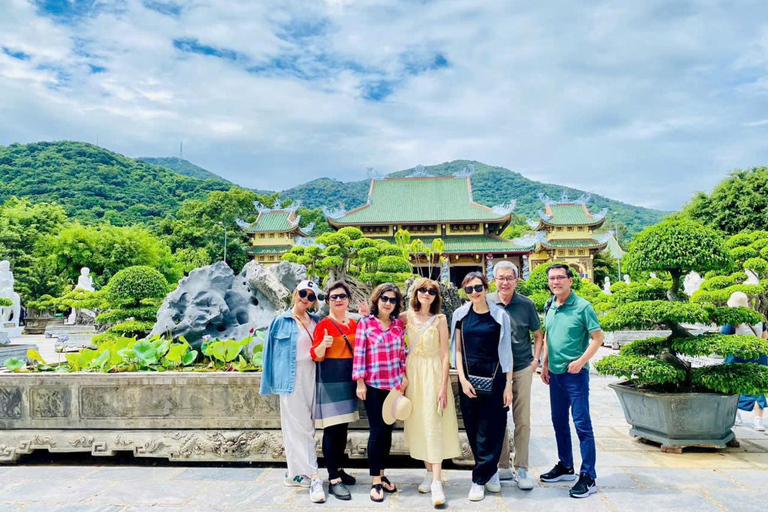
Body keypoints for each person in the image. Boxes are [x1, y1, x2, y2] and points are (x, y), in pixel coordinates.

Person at [260, 280, 326, 504]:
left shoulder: (316, 322)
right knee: (301, 427)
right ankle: (315, 476)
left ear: (314, 301)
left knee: (304, 426)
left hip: (313, 376)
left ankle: (295, 473)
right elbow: (268, 355)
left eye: (310, 297)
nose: (305, 299)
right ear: (295, 293)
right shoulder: (280, 322)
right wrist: (267, 384)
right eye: (303, 293)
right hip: (290, 379)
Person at [540, 264, 603, 499]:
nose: (555, 282)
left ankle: (588, 476)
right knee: (558, 421)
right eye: (552, 278)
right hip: (555, 374)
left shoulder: (583, 307)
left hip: (575, 375)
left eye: (560, 278)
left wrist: (581, 361)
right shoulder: (550, 305)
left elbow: (598, 338)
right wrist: (545, 363)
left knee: (582, 424)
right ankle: (566, 465)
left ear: (570, 280)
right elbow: (548, 335)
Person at [450, 272, 513, 502]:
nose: (474, 293)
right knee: (473, 427)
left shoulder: (500, 315)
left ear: (486, 288)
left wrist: (508, 384)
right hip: (469, 377)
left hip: (494, 375)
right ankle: (489, 470)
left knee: (494, 426)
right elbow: (456, 350)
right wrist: (462, 379)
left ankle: (480, 478)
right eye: (469, 289)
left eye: (478, 288)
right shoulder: (460, 315)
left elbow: (506, 351)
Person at [401, 278, 461, 507]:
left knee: (435, 422)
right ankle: (428, 473)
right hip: (413, 374)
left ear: (436, 296)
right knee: (420, 423)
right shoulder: (405, 317)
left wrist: (443, 385)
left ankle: (437, 481)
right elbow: (385, 328)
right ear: (415, 293)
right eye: (422, 290)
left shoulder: (440, 319)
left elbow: (446, 354)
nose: (427, 294)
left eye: (432, 291)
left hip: (434, 372)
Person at [488, 260, 543, 490]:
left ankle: (521, 467)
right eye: (500, 278)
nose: (505, 282)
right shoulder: (487, 301)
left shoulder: (526, 304)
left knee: (522, 419)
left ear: (516, 280)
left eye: (509, 278)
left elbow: (538, 334)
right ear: (494, 280)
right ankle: (502, 465)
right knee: (498, 418)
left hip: (521, 367)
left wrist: (535, 361)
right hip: (496, 369)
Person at [353, 283, 408, 503]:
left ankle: (383, 475)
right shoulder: (365, 324)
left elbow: (402, 353)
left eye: (392, 300)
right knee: (377, 431)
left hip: (393, 386)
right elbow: (359, 355)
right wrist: (360, 382)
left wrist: (403, 375)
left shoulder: (397, 326)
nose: (388, 303)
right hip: (374, 386)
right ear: (377, 300)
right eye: (384, 298)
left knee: (387, 431)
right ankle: (375, 480)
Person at [311, 281, 359, 500]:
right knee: (331, 430)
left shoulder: (354, 324)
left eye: (342, 296)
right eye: (333, 297)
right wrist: (324, 345)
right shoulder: (323, 325)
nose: (338, 300)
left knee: (343, 428)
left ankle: (338, 468)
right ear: (328, 301)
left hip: (348, 380)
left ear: (348, 299)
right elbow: (316, 355)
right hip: (329, 381)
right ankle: (333, 478)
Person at [721, 291, 767, 432]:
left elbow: (723, 337)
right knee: (758, 387)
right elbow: (765, 337)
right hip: (758, 355)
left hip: (737, 356)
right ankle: (758, 421)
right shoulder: (757, 317)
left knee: (733, 385)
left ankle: (736, 415)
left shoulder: (732, 321)